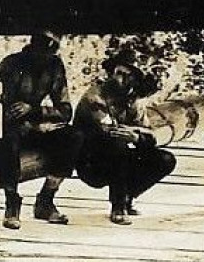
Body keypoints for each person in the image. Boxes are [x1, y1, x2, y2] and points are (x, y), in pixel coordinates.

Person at [73, 47, 177, 225]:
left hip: (118, 160)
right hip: (91, 162)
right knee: (117, 145)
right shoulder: (95, 97)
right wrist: (134, 133)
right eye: (119, 73)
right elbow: (110, 132)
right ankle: (118, 206)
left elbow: (149, 134)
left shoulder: (134, 102)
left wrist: (137, 137)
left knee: (165, 159)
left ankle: (128, 197)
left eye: (129, 76)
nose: (121, 79)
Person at [0, 30, 76, 229]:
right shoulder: (10, 64)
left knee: (73, 136)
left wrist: (35, 112)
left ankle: (46, 199)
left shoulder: (54, 67)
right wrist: (13, 115)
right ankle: (12, 203)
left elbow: (65, 110)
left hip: (34, 124)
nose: (44, 56)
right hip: (6, 126)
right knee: (8, 141)